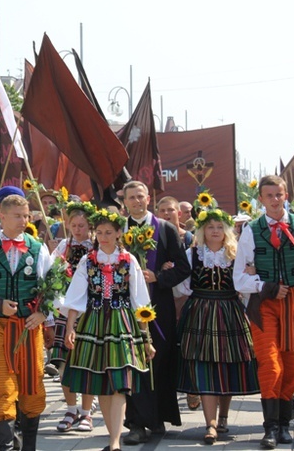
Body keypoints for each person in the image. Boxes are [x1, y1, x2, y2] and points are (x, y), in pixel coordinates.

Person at [233, 175, 294, 449]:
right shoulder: (251, 230)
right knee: (271, 364)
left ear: (286, 196)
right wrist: (265, 286)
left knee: (293, 365)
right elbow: (239, 278)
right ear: (260, 199)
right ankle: (270, 428)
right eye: (269, 195)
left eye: (279, 194)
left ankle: (284, 425)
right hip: (264, 304)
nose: (274, 200)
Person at [59, 207, 155, 451]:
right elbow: (76, 296)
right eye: (99, 232)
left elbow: (140, 301)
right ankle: (113, 438)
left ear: (119, 233)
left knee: (120, 381)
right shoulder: (88, 260)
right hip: (94, 321)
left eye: (109, 232)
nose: (103, 236)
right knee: (101, 382)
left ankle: (114, 443)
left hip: (122, 321)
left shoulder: (129, 260)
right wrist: (71, 326)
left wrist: (146, 338)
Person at [0, 188, 53, 451]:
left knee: (32, 384)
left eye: (26, 216)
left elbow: (53, 287)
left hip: (29, 327)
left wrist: (42, 313)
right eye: (17, 216)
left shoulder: (38, 249)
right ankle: (4, 445)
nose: (23, 221)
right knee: (3, 385)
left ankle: (29, 447)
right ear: (1, 216)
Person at [175, 207, 260, 444]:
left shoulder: (235, 255)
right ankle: (210, 424)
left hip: (229, 311)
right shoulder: (193, 254)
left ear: (227, 231)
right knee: (204, 366)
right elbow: (182, 286)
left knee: (228, 365)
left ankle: (222, 417)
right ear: (203, 230)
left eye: (219, 227)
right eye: (210, 227)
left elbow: (245, 287)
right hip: (200, 312)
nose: (215, 231)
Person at [121, 181, 190, 445]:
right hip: (125, 310)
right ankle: (136, 423)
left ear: (149, 198)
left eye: (140, 196)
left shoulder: (166, 229)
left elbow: (183, 267)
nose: (137, 201)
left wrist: (158, 276)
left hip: (158, 308)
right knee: (132, 364)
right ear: (125, 201)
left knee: (158, 362)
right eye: (131, 198)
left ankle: (157, 415)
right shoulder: (118, 229)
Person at [49, 202, 95, 432]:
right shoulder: (63, 247)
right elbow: (51, 276)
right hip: (65, 309)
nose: (78, 229)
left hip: (89, 311)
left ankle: (86, 413)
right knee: (63, 362)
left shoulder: (96, 248)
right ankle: (71, 408)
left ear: (89, 226)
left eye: (82, 225)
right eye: (74, 225)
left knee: (87, 361)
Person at [156, 196, 198, 410]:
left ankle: (192, 388)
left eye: (170, 210)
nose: (166, 214)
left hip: (186, 299)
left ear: (179, 213)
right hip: (164, 297)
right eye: (162, 210)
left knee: (188, 345)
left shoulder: (190, 238)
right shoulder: (155, 235)